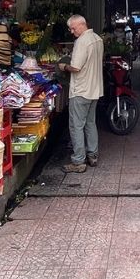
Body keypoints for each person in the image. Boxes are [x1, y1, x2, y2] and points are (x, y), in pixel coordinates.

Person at [59, 14, 104, 172]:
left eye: (73, 28)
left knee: (76, 126)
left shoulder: (82, 41)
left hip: (81, 90)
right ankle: (93, 155)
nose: (72, 32)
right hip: (94, 89)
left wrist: (63, 66)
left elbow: (76, 67)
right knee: (90, 123)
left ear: (81, 24)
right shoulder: (97, 39)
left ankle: (78, 161)